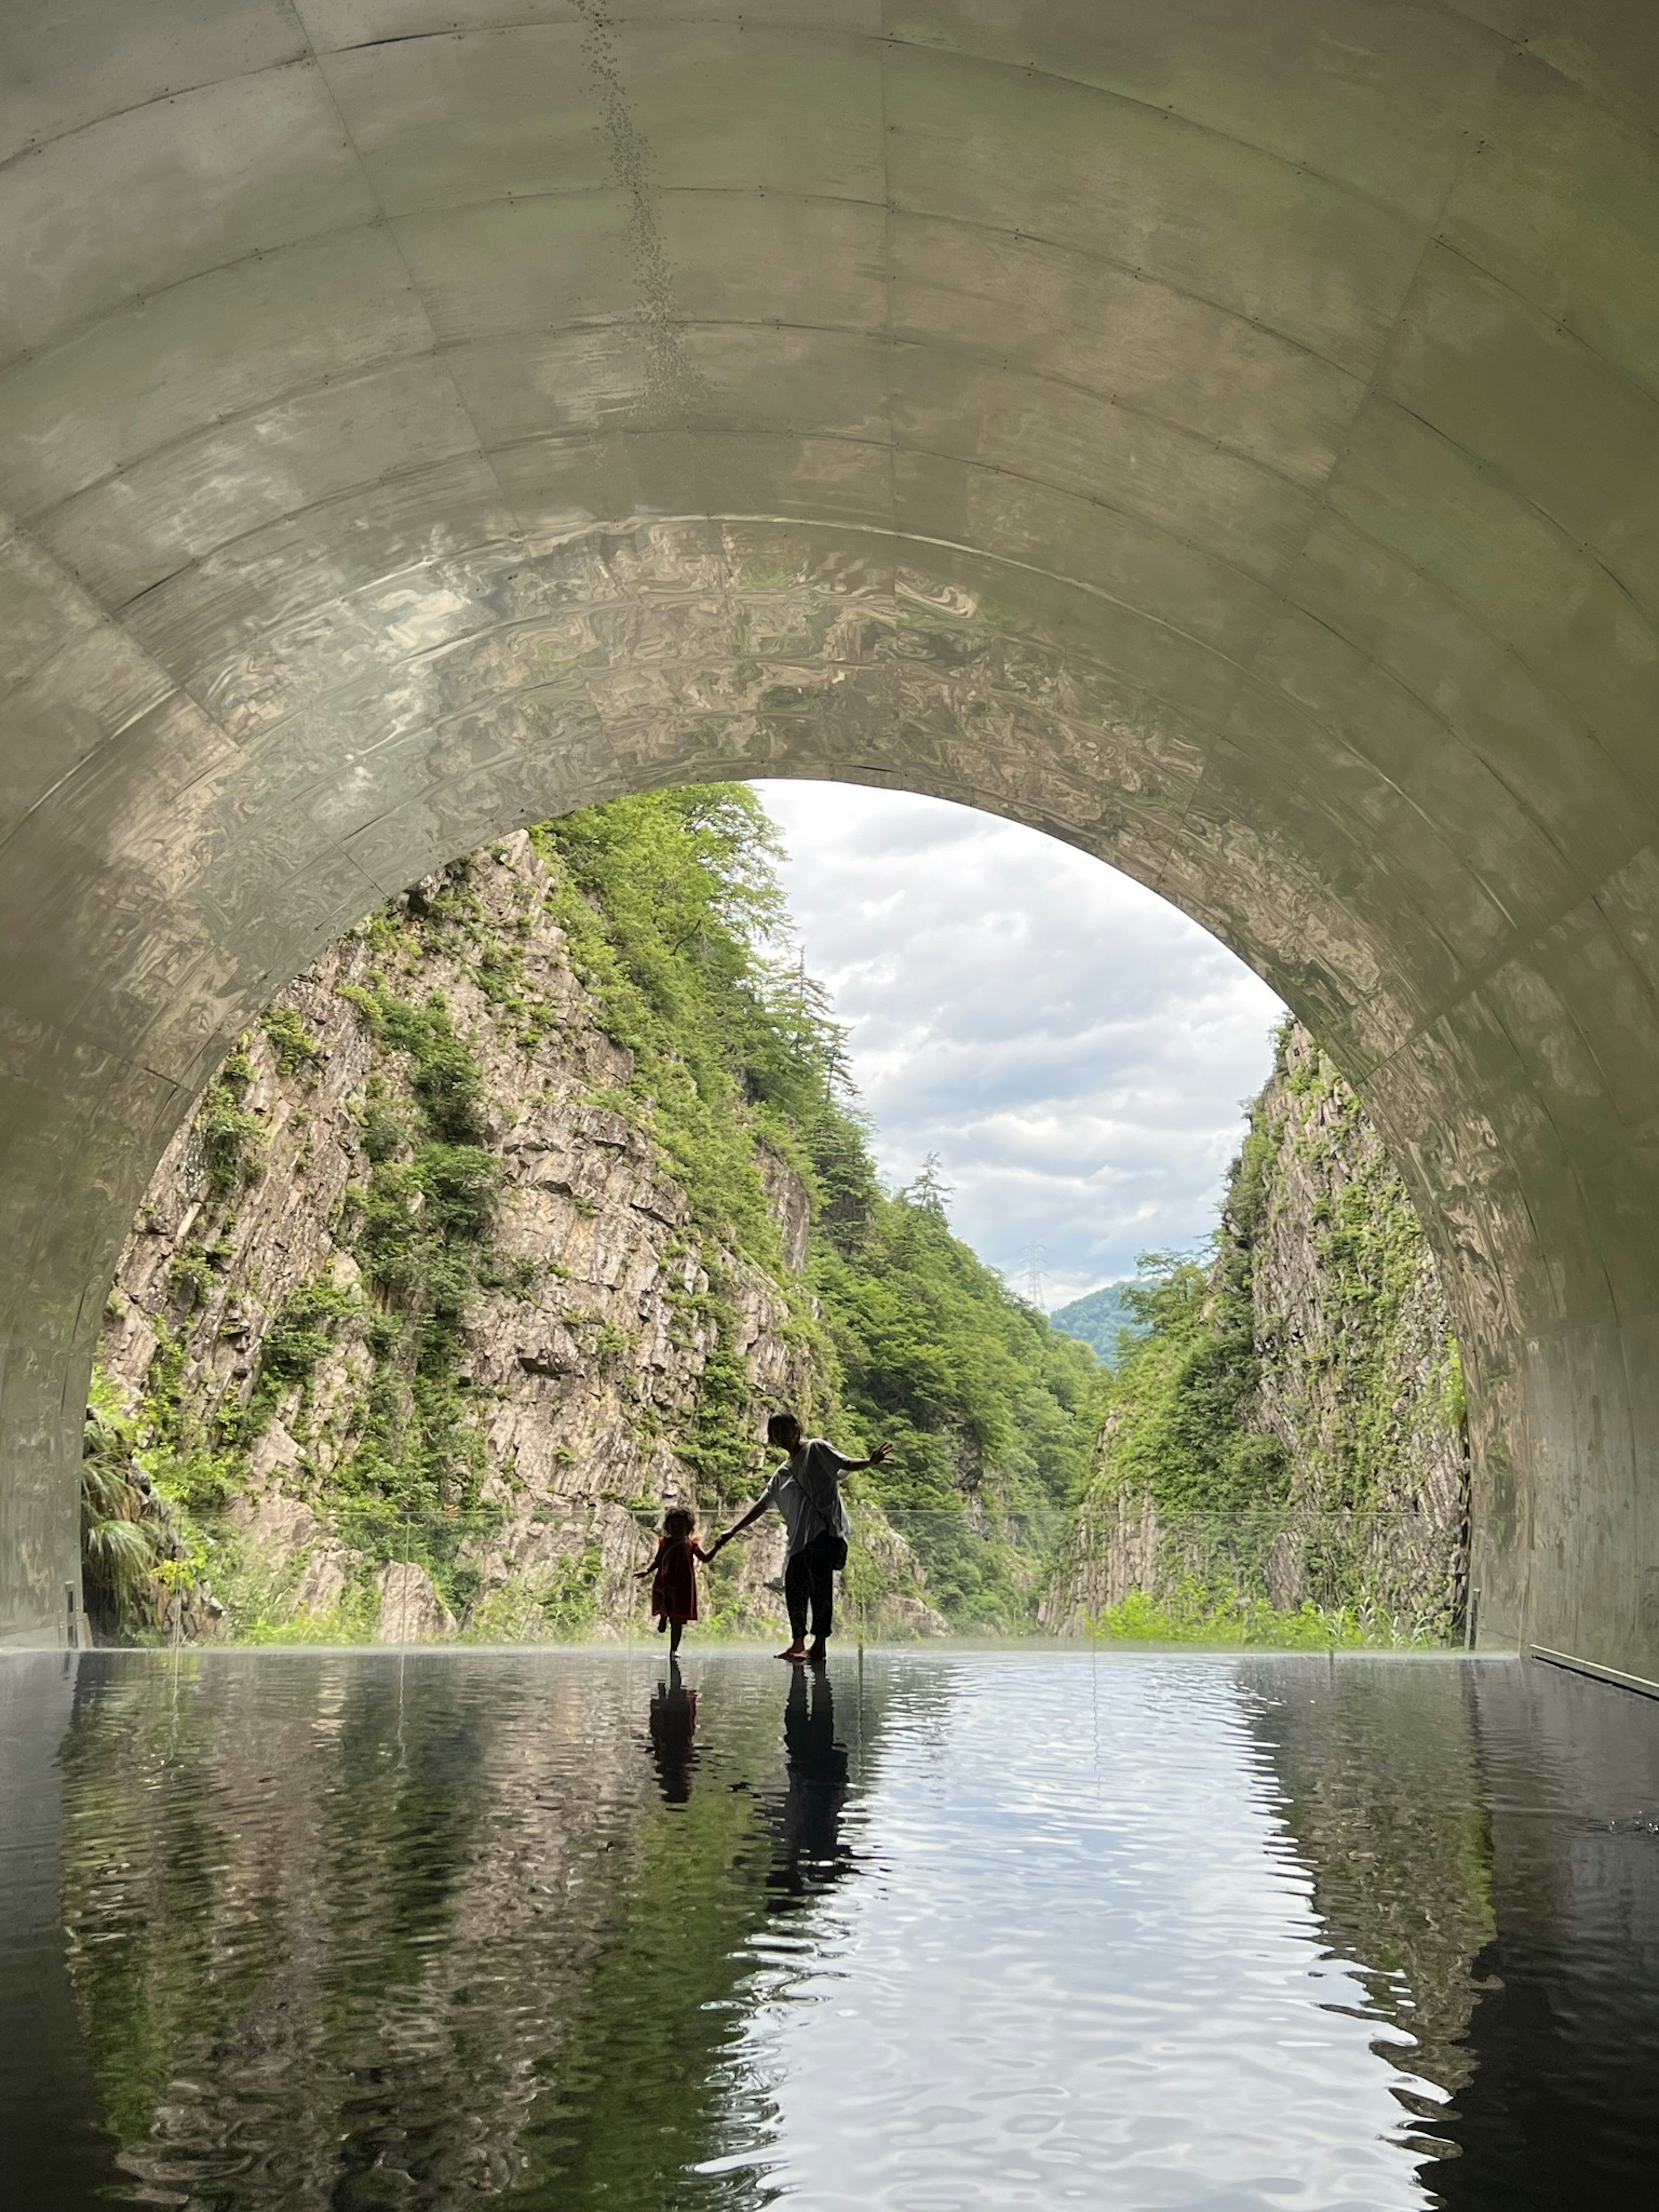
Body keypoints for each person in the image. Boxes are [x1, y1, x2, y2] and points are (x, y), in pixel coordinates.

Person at [709, 1412, 890, 1663]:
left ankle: (819, 1646)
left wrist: (870, 1462)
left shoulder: (816, 1449)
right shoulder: (782, 1474)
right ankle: (797, 1644)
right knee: (795, 1591)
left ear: (797, 1428)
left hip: (824, 1535)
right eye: (775, 1433)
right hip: (798, 1543)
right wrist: (732, 1531)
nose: (781, 1436)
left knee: (820, 1592)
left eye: (784, 1429)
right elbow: (761, 1506)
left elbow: (846, 1464)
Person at [636, 1506, 712, 1654]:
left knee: (678, 1622)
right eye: (673, 1526)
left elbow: (706, 1558)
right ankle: (664, 1616)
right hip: (666, 1582)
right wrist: (647, 1571)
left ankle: (673, 1650)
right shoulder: (665, 1543)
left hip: (683, 1586)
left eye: (680, 1526)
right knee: (667, 1606)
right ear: (668, 1528)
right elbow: (658, 1561)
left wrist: (717, 1546)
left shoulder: (691, 1545)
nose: (677, 1529)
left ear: (687, 1527)